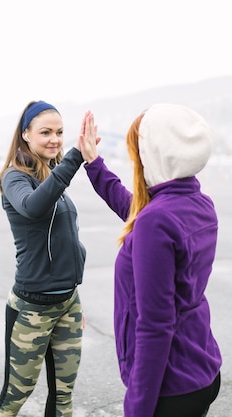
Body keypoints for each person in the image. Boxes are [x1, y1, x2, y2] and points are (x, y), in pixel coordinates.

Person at [78, 104, 222, 417]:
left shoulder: (156, 222)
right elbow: (135, 209)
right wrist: (93, 163)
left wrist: (137, 407)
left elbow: (155, 325)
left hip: (171, 387)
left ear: (155, 155)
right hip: (201, 366)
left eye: (138, 150)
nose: (136, 158)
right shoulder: (197, 204)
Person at [0, 100, 88, 417]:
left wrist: (73, 290)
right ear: (26, 134)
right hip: (32, 307)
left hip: (67, 303)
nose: (54, 139)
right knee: (14, 397)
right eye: (45, 132)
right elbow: (33, 207)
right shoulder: (13, 179)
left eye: (59, 132)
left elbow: (64, 236)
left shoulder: (51, 176)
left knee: (63, 398)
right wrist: (74, 157)